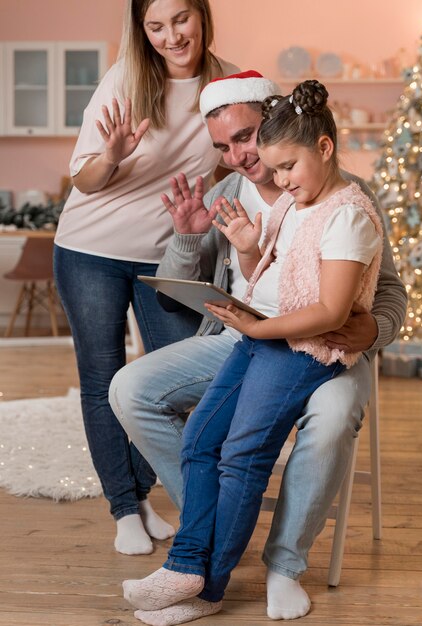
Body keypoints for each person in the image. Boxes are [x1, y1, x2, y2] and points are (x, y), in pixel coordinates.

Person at [109, 71, 407, 619]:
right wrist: (196, 238)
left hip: (318, 344)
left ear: (270, 125)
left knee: (294, 430)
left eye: (246, 139)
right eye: (222, 147)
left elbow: (376, 294)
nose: (242, 158)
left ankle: (270, 565)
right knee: (174, 419)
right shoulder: (239, 193)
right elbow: (187, 295)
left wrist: (375, 330)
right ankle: (205, 546)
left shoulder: (344, 199)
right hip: (248, 334)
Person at [53, 0, 238, 556]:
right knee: (102, 378)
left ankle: (141, 490)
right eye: (154, 26)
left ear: (201, 15)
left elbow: (242, 156)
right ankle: (125, 508)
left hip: (170, 256)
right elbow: (84, 180)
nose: (170, 36)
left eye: (180, 20)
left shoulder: (227, 84)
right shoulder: (125, 79)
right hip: (90, 247)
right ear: (142, 30)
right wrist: (112, 155)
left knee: (173, 385)